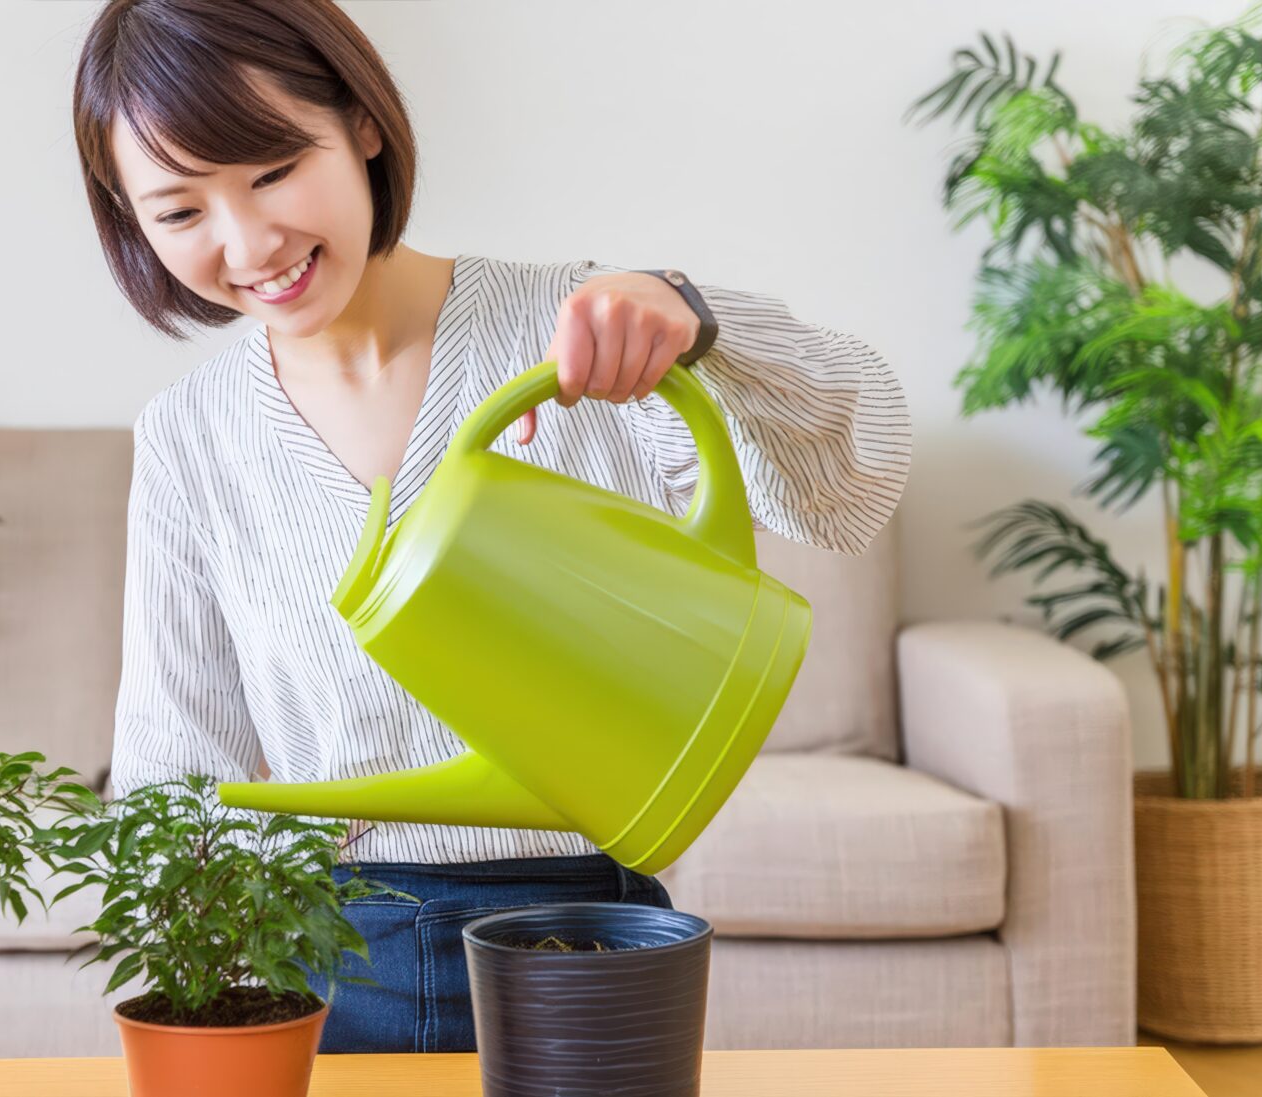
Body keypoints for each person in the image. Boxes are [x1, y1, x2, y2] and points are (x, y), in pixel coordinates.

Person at [71, 0, 910, 1054]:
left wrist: (699, 323)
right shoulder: (191, 434)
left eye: (274, 169)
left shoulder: (574, 330)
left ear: (362, 122)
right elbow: (174, 759)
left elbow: (858, 480)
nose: (249, 242)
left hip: (577, 932)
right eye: (180, 211)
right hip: (315, 953)